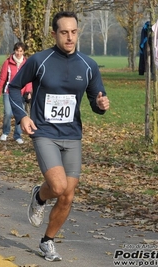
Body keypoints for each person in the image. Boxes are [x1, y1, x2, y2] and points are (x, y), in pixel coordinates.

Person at [8, 11, 110, 262]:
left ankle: (47, 241)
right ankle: (40, 195)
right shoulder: (40, 60)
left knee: (68, 195)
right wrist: (22, 116)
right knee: (58, 186)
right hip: (44, 133)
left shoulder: (88, 65)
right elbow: (14, 87)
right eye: (64, 32)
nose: (70, 37)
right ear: (54, 34)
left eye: (74, 32)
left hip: (72, 135)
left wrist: (101, 104)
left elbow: (96, 99)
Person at [0, 42, 32, 144]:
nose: (18, 53)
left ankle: (17, 135)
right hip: (9, 91)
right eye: (17, 51)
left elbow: (29, 80)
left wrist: (28, 91)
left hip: (22, 93)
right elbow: (2, 77)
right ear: (14, 51)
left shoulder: (27, 63)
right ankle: (5, 132)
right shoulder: (7, 62)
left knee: (20, 115)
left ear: (23, 52)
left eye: (21, 51)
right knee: (8, 113)